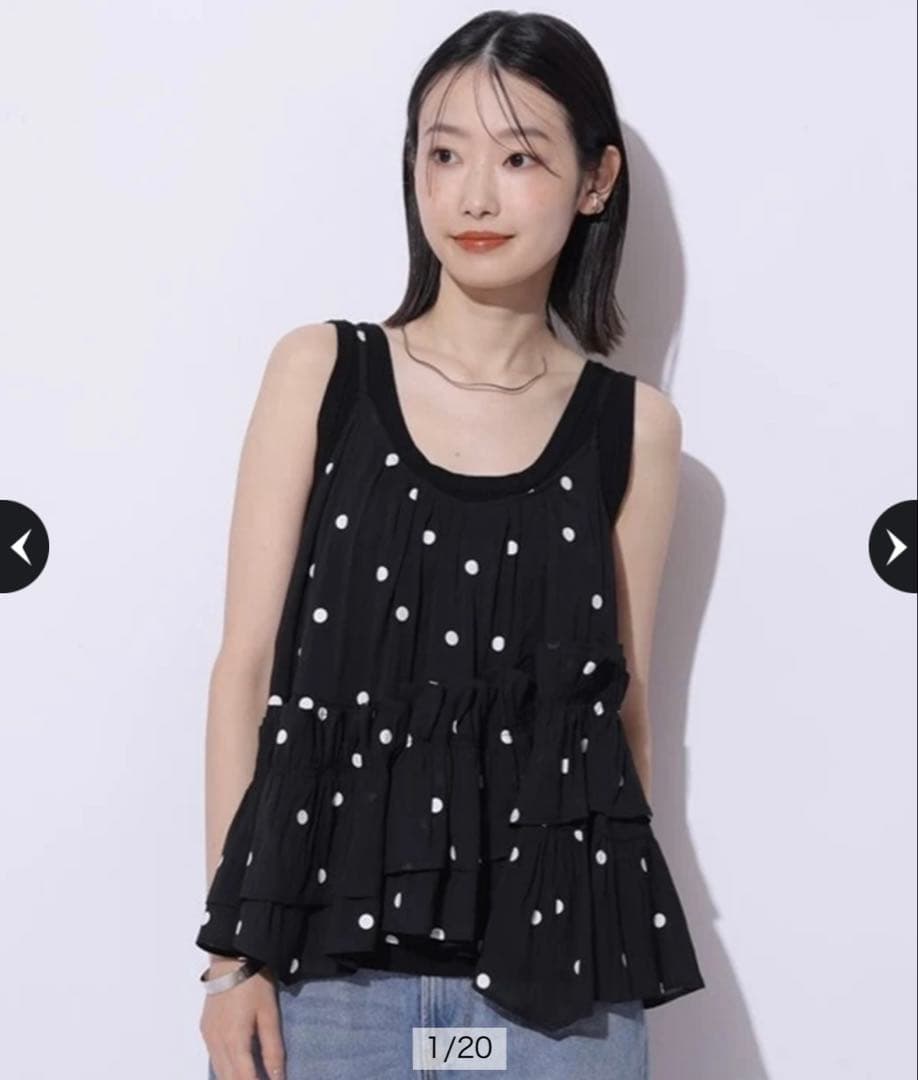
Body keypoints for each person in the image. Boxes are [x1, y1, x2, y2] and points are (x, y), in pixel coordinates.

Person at [195, 11, 705, 1079]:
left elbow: (623, 718)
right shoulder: (322, 372)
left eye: (519, 158)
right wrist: (231, 962)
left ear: (596, 180)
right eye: (444, 153)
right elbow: (246, 670)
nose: (473, 197)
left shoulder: (634, 428)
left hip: (562, 997)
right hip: (325, 986)